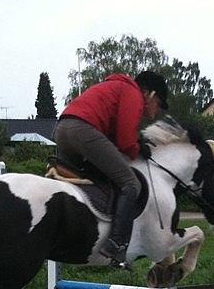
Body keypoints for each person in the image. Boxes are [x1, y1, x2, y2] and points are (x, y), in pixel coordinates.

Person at [54, 71, 169, 264]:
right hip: (82, 131)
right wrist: (138, 149)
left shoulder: (115, 87)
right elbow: (124, 142)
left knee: (92, 181)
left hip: (62, 130)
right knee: (131, 183)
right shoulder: (133, 93)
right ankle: (116, 243)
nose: (156, 111)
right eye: (158, 103)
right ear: (149, 93)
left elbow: (114, 136)